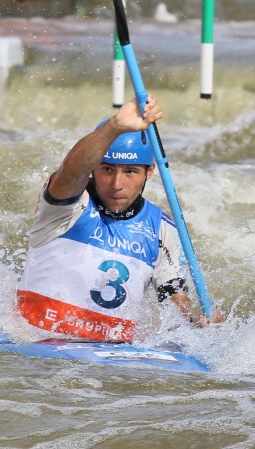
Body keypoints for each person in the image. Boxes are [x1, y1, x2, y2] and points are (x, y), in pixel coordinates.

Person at [17, 94, 223, 343]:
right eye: (107, 169)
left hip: (113, 356)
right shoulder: (66, 206)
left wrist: (197, 322)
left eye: (130, 172)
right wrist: (115, 126)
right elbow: (70, 171)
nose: (116, 184)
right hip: (38, 342)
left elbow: (175, 304)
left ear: (149, 171)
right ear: (94, 168)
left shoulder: (162, 228)